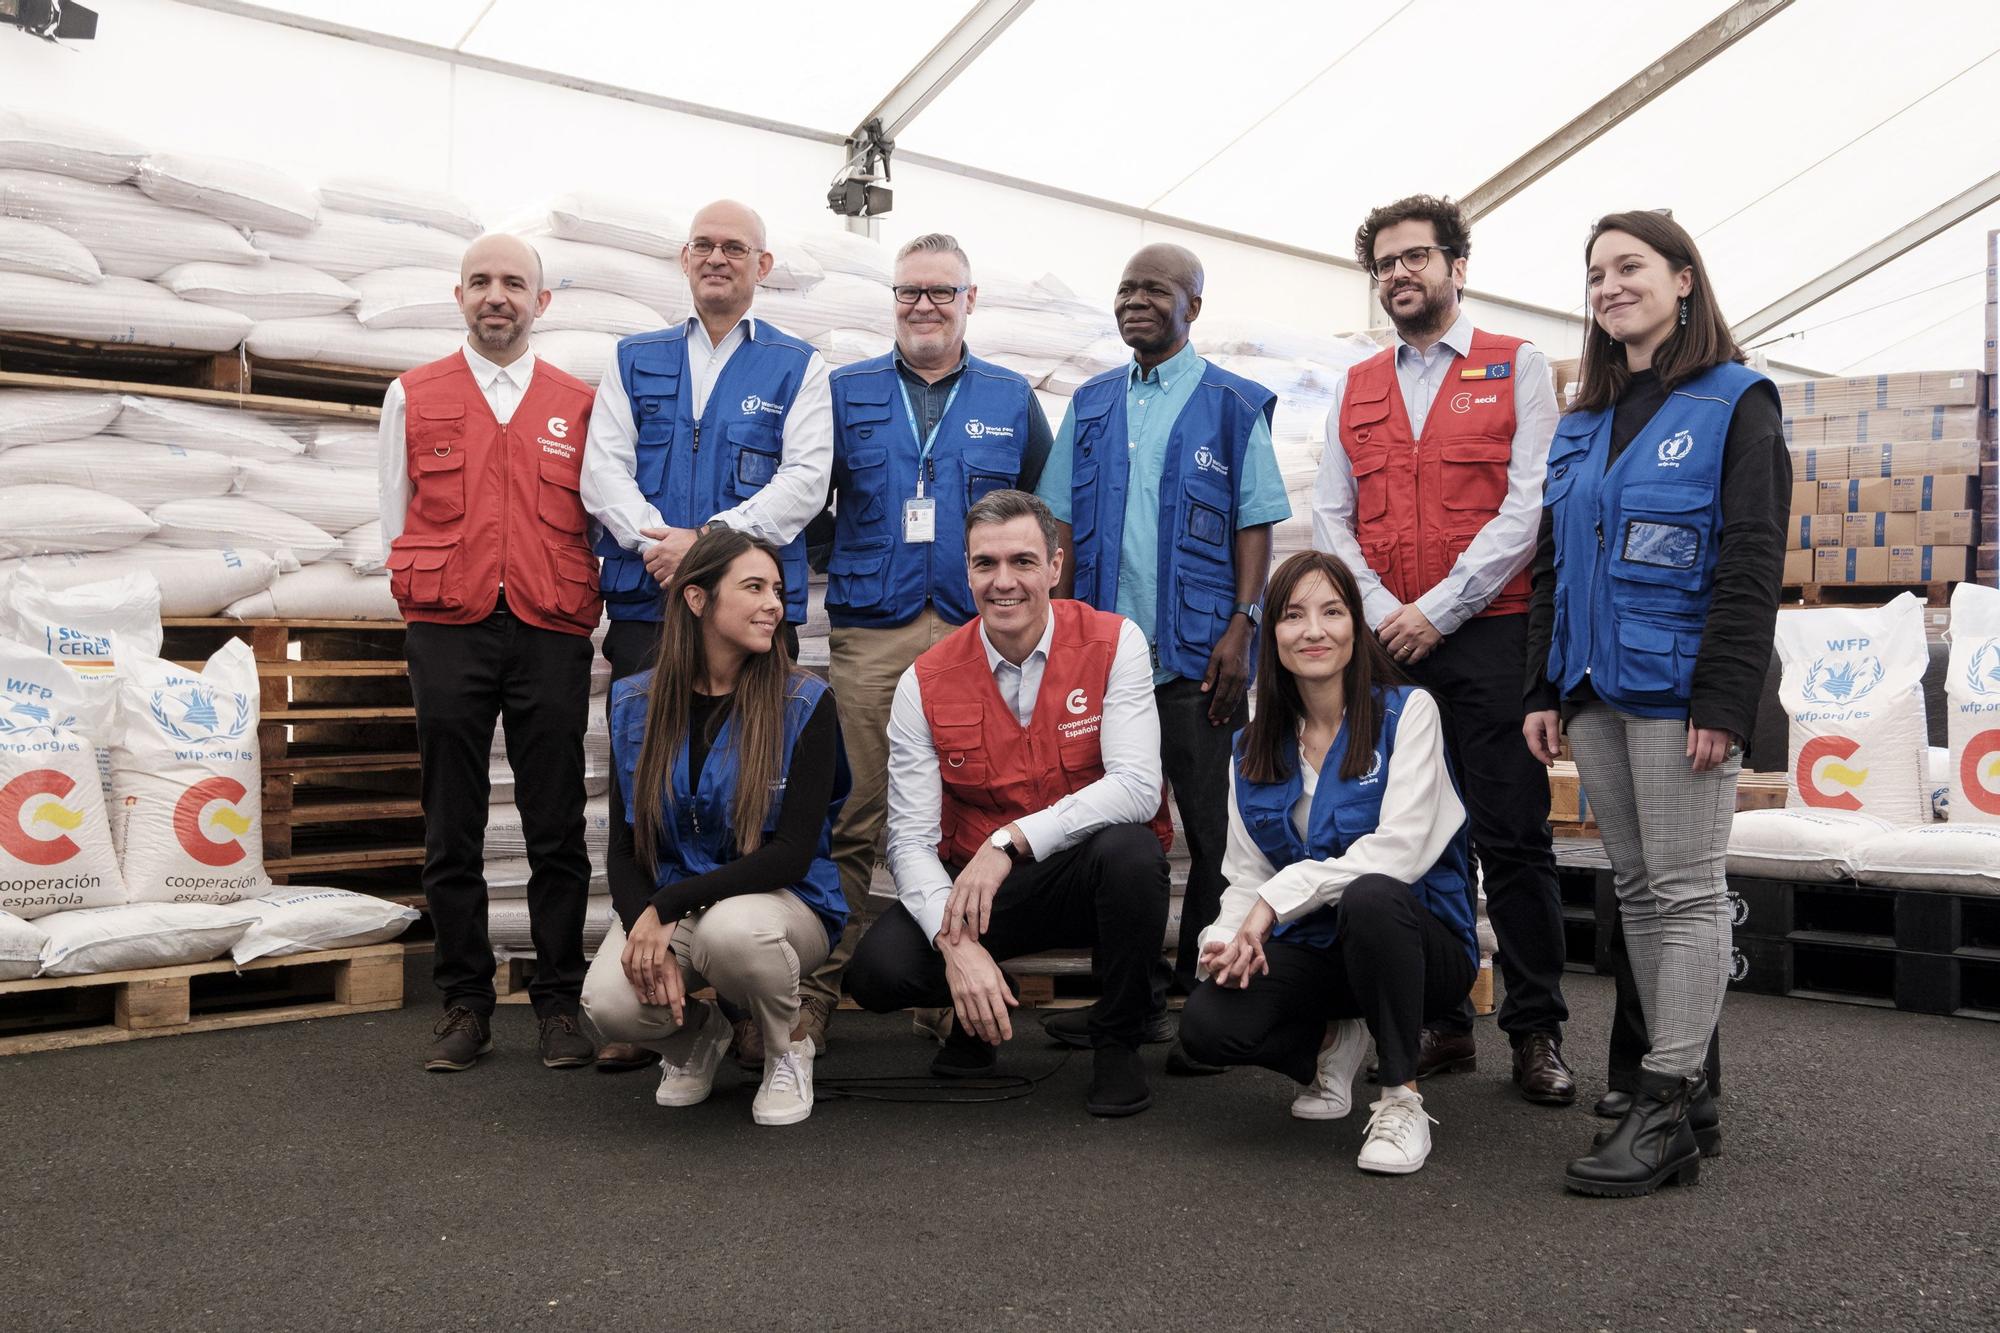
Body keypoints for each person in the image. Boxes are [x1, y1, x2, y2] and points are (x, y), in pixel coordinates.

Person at [1523, 210, 1788, 1196]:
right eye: (1593, 272)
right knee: (1635, 889)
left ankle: (1667, 1099)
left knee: (1683, 893)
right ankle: (1680, 1094)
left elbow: (1751, 558)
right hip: (1592, 688)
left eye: (1627, 266)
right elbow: (1552, 559)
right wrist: (1540, 685)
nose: (1606, 285)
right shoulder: (1584, 415)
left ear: (1683, 279)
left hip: (1680, 693)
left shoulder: (1733, 402)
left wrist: (1722, 697)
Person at [1312, 193, 1574, 1105]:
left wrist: (1442, 607)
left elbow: (1529, 504)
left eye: (1417, 257)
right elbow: (1332, 517)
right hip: (1390, 644)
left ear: (1458, 266)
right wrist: (1389, 611)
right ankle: (1446, 1021)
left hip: (1491, 633)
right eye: (1385, 263)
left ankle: (1537, 1031)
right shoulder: (1357, 385)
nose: (1400, 275)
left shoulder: (1518, 367)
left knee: (1512, 834)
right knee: (1414, 839)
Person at [581, 199, 833, 1071]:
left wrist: (710, 548)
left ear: (763, 265)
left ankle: (757, 986)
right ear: (683, 258)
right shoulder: (633, 359)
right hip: (650, 607)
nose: (718, 258)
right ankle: (665, 995)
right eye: (705, 245)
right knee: (652, 800)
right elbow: (601, 468)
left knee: (750, 796)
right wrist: (659, 545)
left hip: (742, 614)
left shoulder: (797, 366)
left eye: (736, 247)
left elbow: (805, 481)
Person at [1035, 243, 1291, 1067]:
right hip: (1105, 667)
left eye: (1155, 289)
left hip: (1196, 659)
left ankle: (1207, 1007)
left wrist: (1244, 625)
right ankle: (1130, 1000)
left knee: (1217, 839)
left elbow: (1257, 521)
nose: (1135, 301)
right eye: (1125, 288)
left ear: (1193, 306)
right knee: (1117, 833)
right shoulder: (1095, 402)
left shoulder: (1232, 403)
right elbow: (1060, 525)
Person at [844, 490, 1172, 1117]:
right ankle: (984, 1004)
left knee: (1131, 853)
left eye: (1022, 562)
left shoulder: (1113, 642)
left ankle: (1117, 1043)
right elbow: (909, 840)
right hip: (986, 899)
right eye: (984, 564)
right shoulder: (926, 679)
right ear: (965, 571)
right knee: (878, 973)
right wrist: (958, 945)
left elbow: (1135, 786)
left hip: (1089, 881)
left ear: (1055, 566)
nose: (1003, 583)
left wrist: (1009, 841)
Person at [813, 233, 1054, 1053]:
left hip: (974, 630)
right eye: (910, 292)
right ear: (893, 300)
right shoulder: (844, 393)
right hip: (872, 630)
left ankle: (951, 988)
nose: (924, 306)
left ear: (970, 300)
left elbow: (1043, 517)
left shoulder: (1010, 396)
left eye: (941, 293)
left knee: (973, 811)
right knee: (854, 812)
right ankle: (816, 993)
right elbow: (811, 508)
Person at [378, 234, 600, 1073]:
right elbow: (391, 511)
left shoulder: (576, 402)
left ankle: (557, 1001)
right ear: (458, 295)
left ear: (542, 302)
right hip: (448, 624)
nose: (496, 295)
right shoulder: (414, 393)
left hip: (549, 625)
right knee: (452, 821)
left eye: (514, 282)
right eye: (481, 282)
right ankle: (465, 1003)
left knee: (556, 822)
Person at [1178, 551, 1475, 1175]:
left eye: (1331, 612)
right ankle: (1330, 1043)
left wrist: (1275, 901)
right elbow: (1245, 874)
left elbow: (1400, 851)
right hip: (1318, 949)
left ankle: (1401, 1098)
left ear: (1354, 625)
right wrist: (1225, 941)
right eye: (1293, 615)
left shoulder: (1408, 713)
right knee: (1207, 1024)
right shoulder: (1251, 746)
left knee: (1370, 894)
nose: (1313, 630)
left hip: (1419, 949)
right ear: (1274, 636)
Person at [579, 527, 848, 1126]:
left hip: (781, 905)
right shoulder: (632, 702)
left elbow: (793, 854)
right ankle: (698, 1040)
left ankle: (788, 1044)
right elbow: (624, 846)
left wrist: (670, 902)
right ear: (697, 600)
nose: (774, 604)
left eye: (777, 589)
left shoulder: (805, 702)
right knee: (609, 1004)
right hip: (681, 902)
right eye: (753, 587)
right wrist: (640, 922)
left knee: (731, 933)